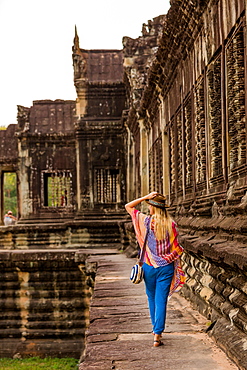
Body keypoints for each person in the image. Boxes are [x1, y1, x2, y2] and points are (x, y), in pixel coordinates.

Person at [125, 192, 185, 347]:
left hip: (149, 266)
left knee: (151, 298)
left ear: (153, 207)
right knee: (161, 300)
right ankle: (157, 334)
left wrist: (145, 196)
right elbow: (177, 248)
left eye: (149, 205)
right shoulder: (171, 224)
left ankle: (155, 330)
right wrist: (166, 259)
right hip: (166, 267)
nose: (148, 208)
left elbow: (128, 206)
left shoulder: (146, 221)